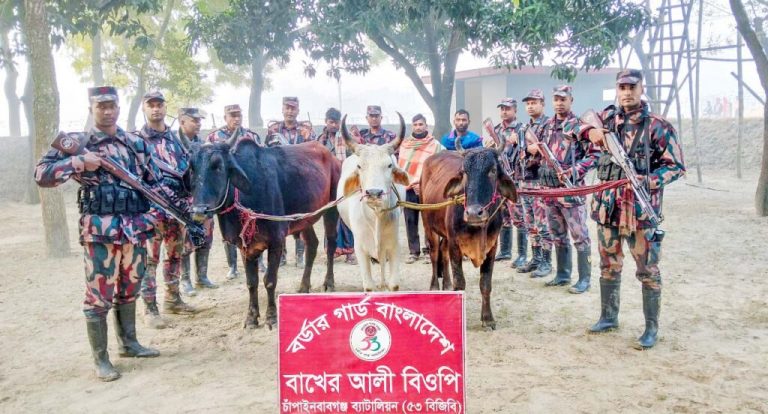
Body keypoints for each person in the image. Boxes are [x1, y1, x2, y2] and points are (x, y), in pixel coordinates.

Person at [35, 86, 160, 381]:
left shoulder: (135, 143)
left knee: (130, 289)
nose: (107, 111)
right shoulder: (79, 143)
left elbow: (153, 181)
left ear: (119, 107)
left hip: (135, 230)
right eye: (101, 106)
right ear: (91, 108)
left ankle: (129, 344)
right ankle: (101, 360)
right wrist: (78, 162)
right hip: (100, 233)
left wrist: (155, 214)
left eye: (112, 105)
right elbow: (41, 175)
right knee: (99, 296)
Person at [577, 69, 685, 349]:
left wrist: (647, 180)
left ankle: (651, 329)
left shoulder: (658, 126)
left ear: (641, 89)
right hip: (607, 209)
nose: (626, 92)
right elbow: (575, 128)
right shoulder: (608, 118)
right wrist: (592, 132)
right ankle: (608, 317)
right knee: (608, 265)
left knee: (647, 270)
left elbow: (676, 167)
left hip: (639, 210)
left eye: (631, 87)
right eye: (622, 87)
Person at [136, 91, 197, 328]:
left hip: (177, 210)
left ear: (165, 107)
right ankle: (150, 308)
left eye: (159, 105)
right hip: (150, 212)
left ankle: (173, 299)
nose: (156, 109)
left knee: (174, 255)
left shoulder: (176, 139)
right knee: (149, 259)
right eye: (151, 105)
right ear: (144, 108)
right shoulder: (137, 141)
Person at [535, 86, 598, 293]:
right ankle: (562, 274)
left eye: (563, 99)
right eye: (556, 99)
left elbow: (594, 154)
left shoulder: (579, 126)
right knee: (557, 234)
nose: (559, 103)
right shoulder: (546, 126)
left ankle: (584, 279)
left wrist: (575, 170)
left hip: (571, 191)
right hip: (550, 190)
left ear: (571, 100)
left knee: (579, 235)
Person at [206, 104, 262, 278]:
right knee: (229, 227)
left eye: (238, 115)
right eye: (232, 116)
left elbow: (262, 161)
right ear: (225, 117)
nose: (236, 119)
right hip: (225, 193)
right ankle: (232, 266)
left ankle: (259, 260)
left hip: (248, 189)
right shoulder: (213, 137)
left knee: (254, 225)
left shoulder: (251, 136)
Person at [177, 107, 218, 296]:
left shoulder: (204, 145)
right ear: (182, 121)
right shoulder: (175, 144)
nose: (198, 124)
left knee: (206, 237)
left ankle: (202, 276)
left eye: (200, 121)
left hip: (204, 200)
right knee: (185, 242)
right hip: (184, 201)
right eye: (194, 120)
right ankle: (185, 280)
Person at [397, 114, 444, 264]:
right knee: (410, 220)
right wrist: (411, 183)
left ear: (426, 126)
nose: (418, 127)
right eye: (415, 124)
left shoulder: (435, 145)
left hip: (427, 188)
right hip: (409, 188)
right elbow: (401, 167)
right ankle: (413, 252)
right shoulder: (404, 145)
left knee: (428, 221)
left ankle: (429, 250)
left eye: (421, 124)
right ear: (412, 126)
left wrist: (423, 183)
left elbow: (439, 167)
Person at [517, 89, 554, 278]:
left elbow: (551, 148)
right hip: (525, 180)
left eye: (534, 102)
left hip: (540, 180)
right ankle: (536, 258)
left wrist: (537, 149)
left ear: (543, 104)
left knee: (543, 223)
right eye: (528, 103)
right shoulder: (523, 127)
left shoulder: (549, 124)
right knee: (529, 222)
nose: (531, 106)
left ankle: (547, 262)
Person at [486, 98, 527, 266]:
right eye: (502, 108)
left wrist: (517, 141)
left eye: (508, 108)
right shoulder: (495, 130)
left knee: (518, 216)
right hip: (499, 180)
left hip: (515, 178)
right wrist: (488, 145)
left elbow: (525, 151)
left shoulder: (522, 129)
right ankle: (505, 251)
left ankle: (522, 255)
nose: (504, 111)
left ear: (515, 110)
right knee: (503, 215)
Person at [317, 107, 357, 265]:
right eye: (331, 122)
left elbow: (354, 158)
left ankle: (349, 252)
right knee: (330, 218)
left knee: (347, 218)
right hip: (327, 183)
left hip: (344, 182)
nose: (334, 125)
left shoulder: (348, 138)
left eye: (336, 122)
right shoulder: (320, 140)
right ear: (326, 122)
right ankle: (332, 251)